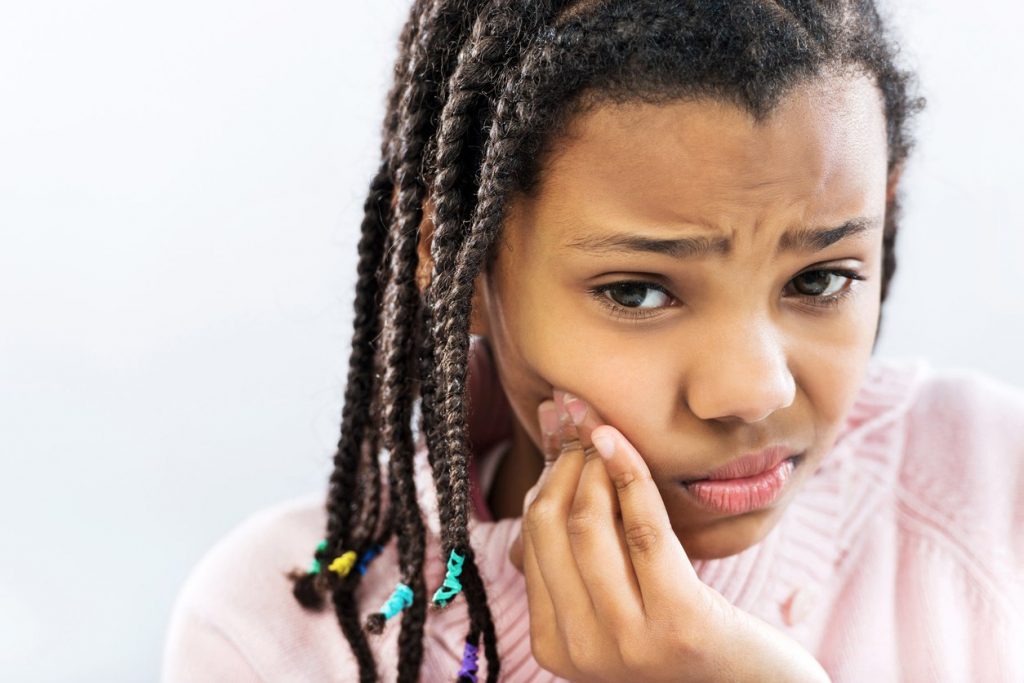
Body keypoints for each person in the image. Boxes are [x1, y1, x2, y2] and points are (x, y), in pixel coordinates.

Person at [161, 1, 1024, 681]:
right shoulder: (285, 634)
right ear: (453, 260)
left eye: (821, 278)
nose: (754, 390)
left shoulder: (991, 491)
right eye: (639, 291)